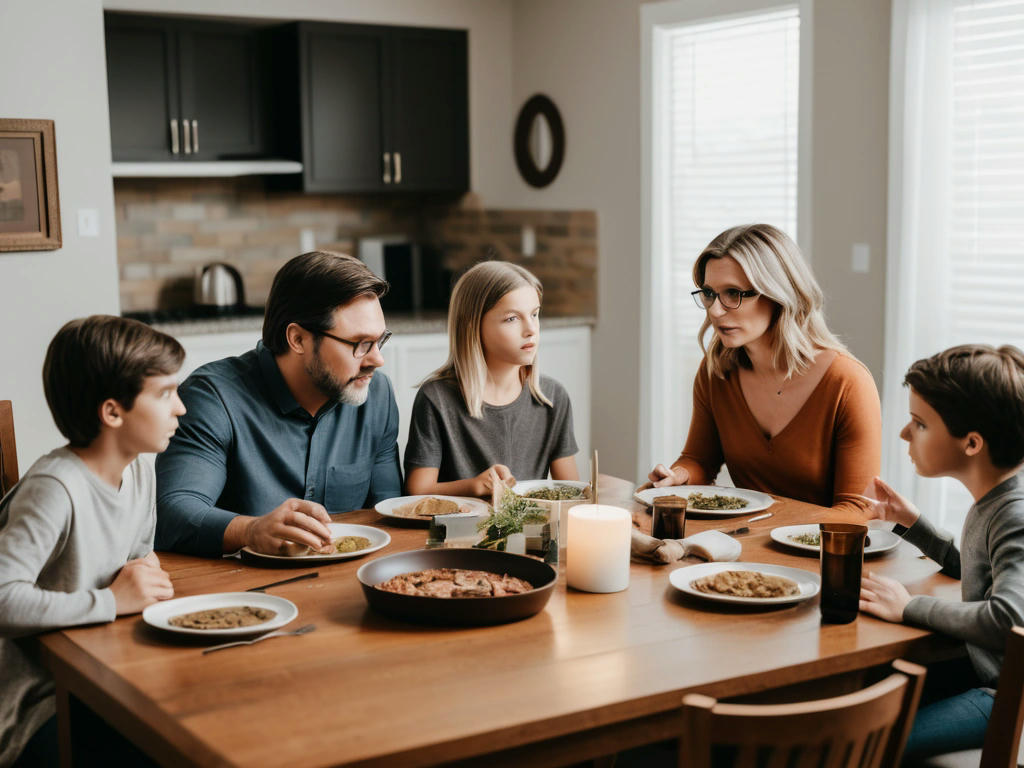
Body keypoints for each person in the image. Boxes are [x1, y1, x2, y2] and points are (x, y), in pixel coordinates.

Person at [0, 315, 183, 767]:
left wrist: (144, 579)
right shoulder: (54, 487)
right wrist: (111, 601)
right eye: (164, 394)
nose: (180, 408)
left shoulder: (140, 467)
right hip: (32, 703)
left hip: (101, 675)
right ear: (113, 412)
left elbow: (140, 561)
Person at [155, 251, 401, 558]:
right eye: (360, 344)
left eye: (380, 340)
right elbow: (171, 513)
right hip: (244, 592)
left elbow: (389, 512)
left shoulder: (376, 396)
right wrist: (250, 531)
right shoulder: (213, 397)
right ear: (297, 339)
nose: (377, 359)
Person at [644, 223, 881, 516]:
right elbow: (700, 460)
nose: (715, 310)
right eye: (709, 293)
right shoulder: (717, 370)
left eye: (733, 293)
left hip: (818, 553)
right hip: (743, 545)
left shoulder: (847, 382)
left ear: (779, 295)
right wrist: (679, 476)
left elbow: (858, 509)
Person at [859, 344, 1024, 762]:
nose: (903, 433)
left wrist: (911, 606)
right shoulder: (997, 499)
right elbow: (975, 570)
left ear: (971, 443)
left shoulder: (1015, 514)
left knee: (867, 744)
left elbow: (1007, 619)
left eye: (919, 424)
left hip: (1005, 698)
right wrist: (915, 524)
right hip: (990, 679)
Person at [404, 261, 578, 497]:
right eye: (512, 319)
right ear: (473, 326)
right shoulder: (436, 398)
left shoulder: (552, 396)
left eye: (534, 314)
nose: (531, 329)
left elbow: (571, 492)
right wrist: (473, 486)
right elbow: (417, 492)